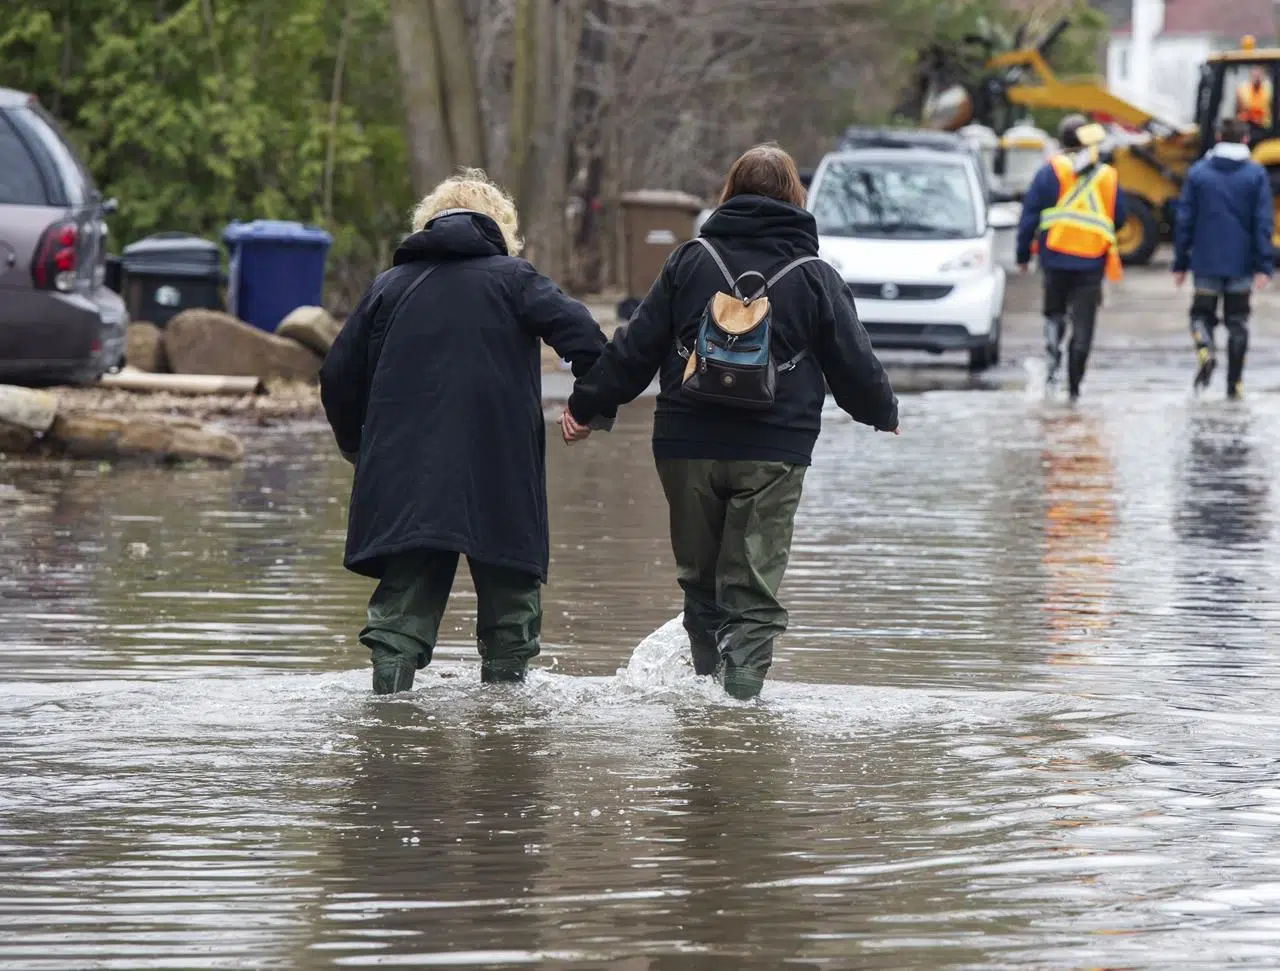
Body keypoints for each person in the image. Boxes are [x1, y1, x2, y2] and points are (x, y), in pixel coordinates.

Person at [559, 144, 899, 701]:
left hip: (685, 444)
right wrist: (882, 413)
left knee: (702, 586)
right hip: (774, 450)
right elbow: (853, 362)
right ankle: (737, 711)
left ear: (729, 192)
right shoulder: (815, 275)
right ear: (796, 196)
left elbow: (634, 348)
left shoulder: (690, 260)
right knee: (753, 593)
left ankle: (704, 702)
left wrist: (587, 408)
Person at [320, 169, 610, 694]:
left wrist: (357, 445)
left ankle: (388, 719)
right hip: (499, 468)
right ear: (501, 228)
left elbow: (336, 375)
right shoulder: (516, 280)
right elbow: (590, 342)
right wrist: (588, 408)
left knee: (400, 614)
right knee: (511, 612)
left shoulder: (388, 287)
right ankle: (507, 734)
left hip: (406, 469)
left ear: (427, 224)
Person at [1016, 114, 1127, 401]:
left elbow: (1029, 215)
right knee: (1083, 324)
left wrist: (1022, 254)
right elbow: (1121, 218)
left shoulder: (1048, 172)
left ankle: (1052, 367)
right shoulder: (1107, 176)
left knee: (1054, 313)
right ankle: (1074, 389)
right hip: (1091, 261)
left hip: (1054, 258)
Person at [1173, 117, 1274, 398]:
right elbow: (1262, 223)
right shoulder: (1255, 175)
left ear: (1218, 138)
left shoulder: (1199, 173)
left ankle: (1205, 348)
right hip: (1241, 263)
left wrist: (1180, 263)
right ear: (1245, 140)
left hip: (1205, 261)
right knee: (1237, 321)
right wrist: (1264, 264)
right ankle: (1235, 384)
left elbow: (1185, 220)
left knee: (1200, 315)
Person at [1236, 65, 1273, 142]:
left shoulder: (1269, 89)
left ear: (1263, 76)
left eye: (1259, 75)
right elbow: (1240, 107)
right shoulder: (1243, 89)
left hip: (1264, 126)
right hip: (1246, 125)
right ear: (1250, 76)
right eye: (1254, 75)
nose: (1256, 78)